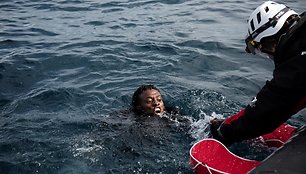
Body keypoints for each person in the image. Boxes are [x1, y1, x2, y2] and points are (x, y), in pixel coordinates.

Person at [210, 1, 306, 145]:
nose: (268, 56)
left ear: (268, 41)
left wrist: (223, 131)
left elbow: (267, 111)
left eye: (261, 49)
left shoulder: (296, 64)